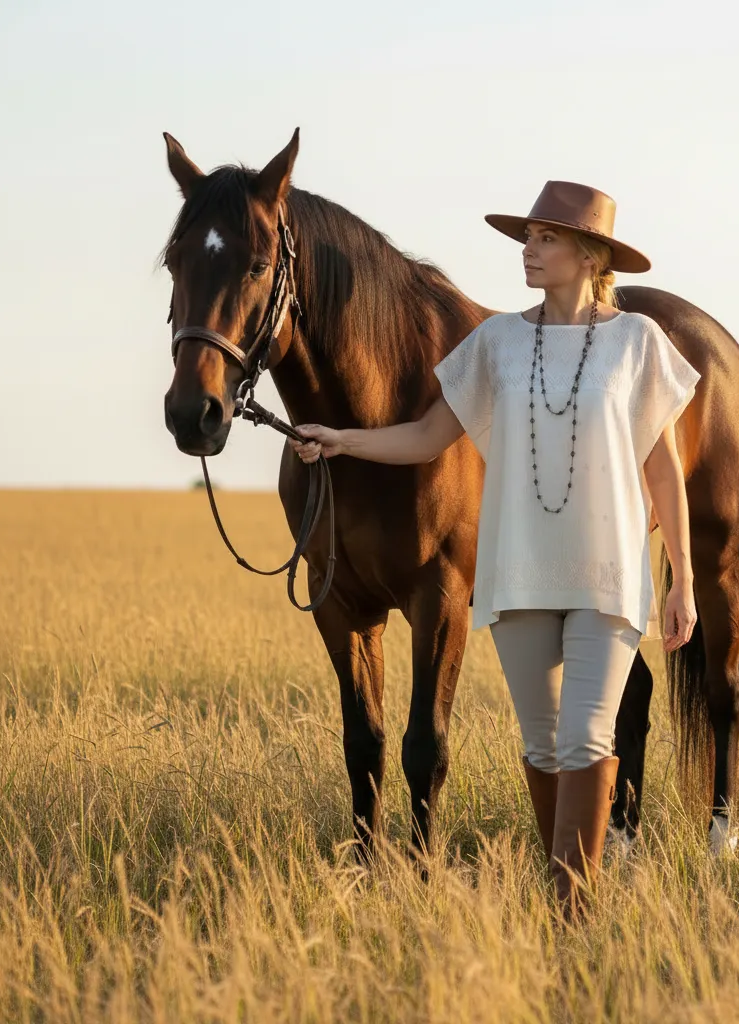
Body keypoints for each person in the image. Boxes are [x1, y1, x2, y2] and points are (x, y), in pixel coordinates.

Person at [290, 181, 702, 917]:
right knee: (542, 744)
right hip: (516, 575)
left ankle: (573, 914)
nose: (529, 249)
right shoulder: (497, 342)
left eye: (546, 238)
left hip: (608, 574)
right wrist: (341, 438)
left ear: (590, 253)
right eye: (528, 236)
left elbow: (664, 467)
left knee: (583, 736)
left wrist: (684, 581)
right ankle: (563, 900)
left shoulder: (638, 341)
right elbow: (425, 437)